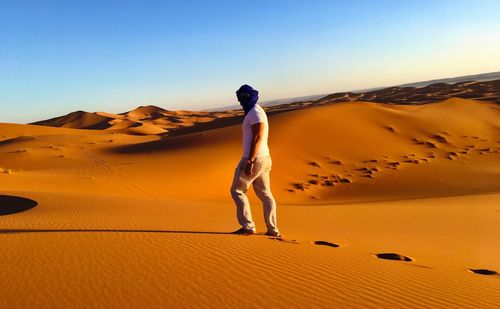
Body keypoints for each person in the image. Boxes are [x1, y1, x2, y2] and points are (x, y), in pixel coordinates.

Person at [230, 84, 281, 237]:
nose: (240, 100)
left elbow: (258, 137)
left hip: (255, 158)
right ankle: (273, 229)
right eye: (239, 96)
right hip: (264, 158)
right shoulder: (254, 111)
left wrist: (250, 160)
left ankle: (248, 226)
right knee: (266, 194)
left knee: (237, 190)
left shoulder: (255, 113)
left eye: (243, 97)